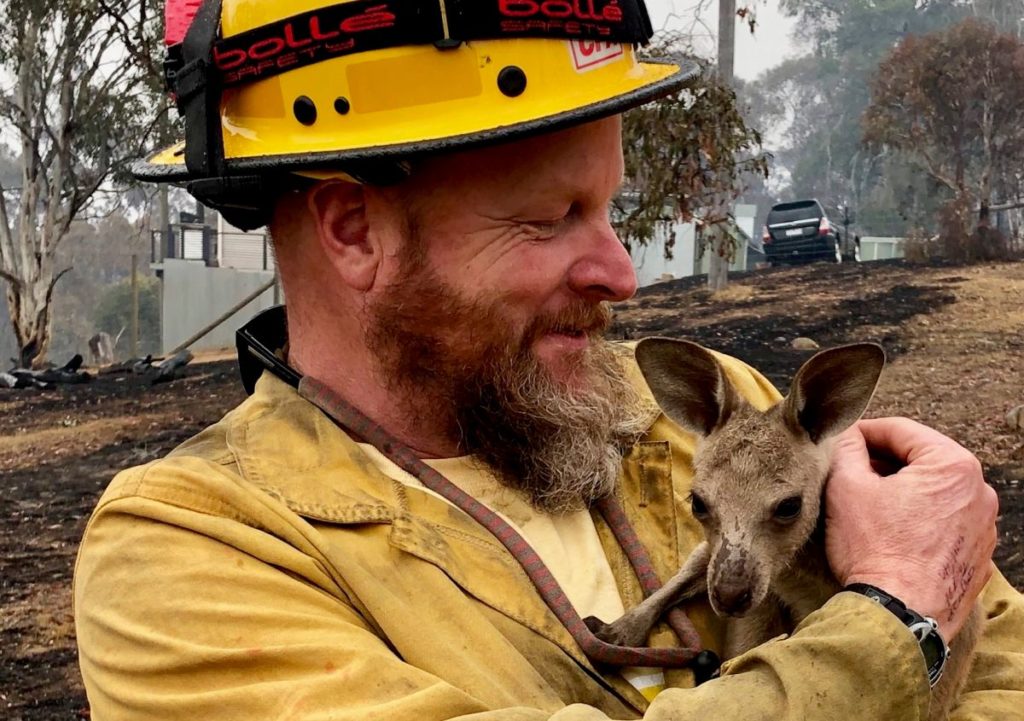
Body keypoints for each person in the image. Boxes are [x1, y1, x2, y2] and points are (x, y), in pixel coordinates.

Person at [74, 0, 1023, 719]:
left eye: (608, 209)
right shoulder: (189, 559)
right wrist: (894, 622)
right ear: (354, 227)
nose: (620, 272)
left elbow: (1005, 659)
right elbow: (929, 613)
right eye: (549, 218)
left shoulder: (718, 417)